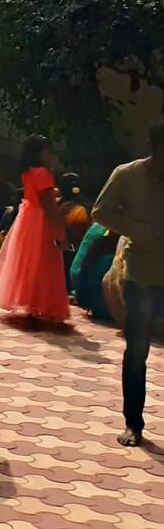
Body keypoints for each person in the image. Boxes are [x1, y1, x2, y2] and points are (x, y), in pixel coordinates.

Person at [93, 122, 164, 446]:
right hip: (141, 274)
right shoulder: (128, 174)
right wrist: (139, 229)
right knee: (137, 351)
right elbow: (101, 212)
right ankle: (133, 424)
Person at [0, 135, 71, 325]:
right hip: (40, 220)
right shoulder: (44, 173)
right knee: (45, 260)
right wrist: (59, 230)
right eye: (47, 151)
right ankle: (43, 303)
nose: (50, 155)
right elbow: (48, 205)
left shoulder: (28, 171)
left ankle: (31, 300)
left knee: (29, 261)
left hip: (28, 218)